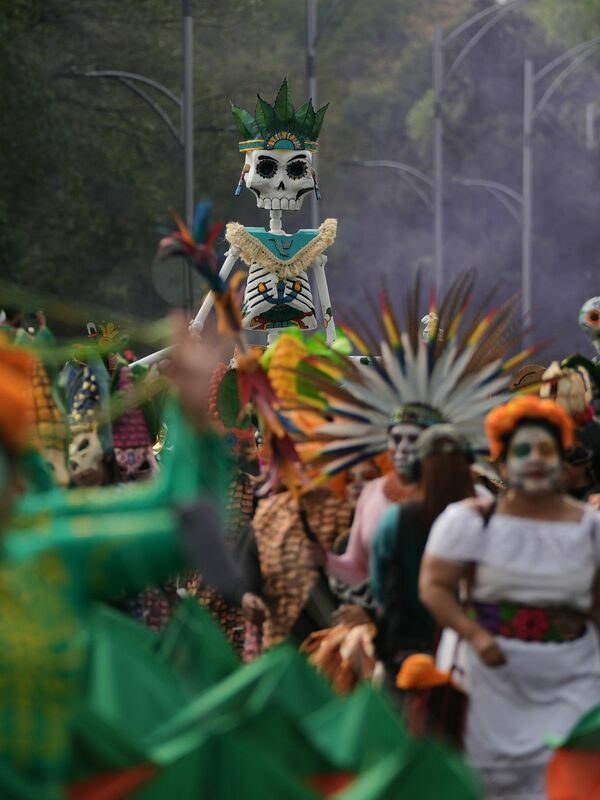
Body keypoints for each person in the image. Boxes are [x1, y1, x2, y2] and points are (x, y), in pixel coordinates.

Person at [419, 395, 600, 800]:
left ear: (562, 459)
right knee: (495, 786)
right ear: (501, 462)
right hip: (493, 682)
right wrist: (475, 635)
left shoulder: (592, 529)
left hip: (577, 679)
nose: (535, 458)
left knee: (571, 781)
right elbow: (434, 586)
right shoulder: (469, 521)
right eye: (522, 449)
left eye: (546, 449)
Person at [370, 425, 476, 697]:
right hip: (473, 653)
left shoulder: (396, 520)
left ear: (418, 468)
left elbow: (379, 589)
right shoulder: (487, 515)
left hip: (410, 654)